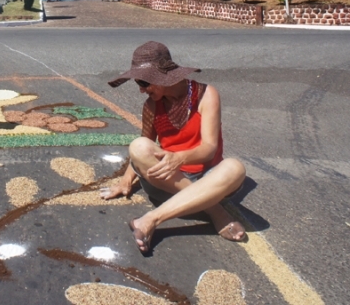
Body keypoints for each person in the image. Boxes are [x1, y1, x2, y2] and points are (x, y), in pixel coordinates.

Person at [100, 41, 247, 253]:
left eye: (144, 82)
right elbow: (142, 152)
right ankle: (216, 211)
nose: (141, 90)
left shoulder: (206, 95)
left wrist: (179, 158)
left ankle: (150, 219)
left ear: (161, 78)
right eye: (138, 83)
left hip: (208, 179)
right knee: (138, 145)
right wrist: (124, 182)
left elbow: (209, 148)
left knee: (235, 168)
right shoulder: (152, 105)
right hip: (168, 182)